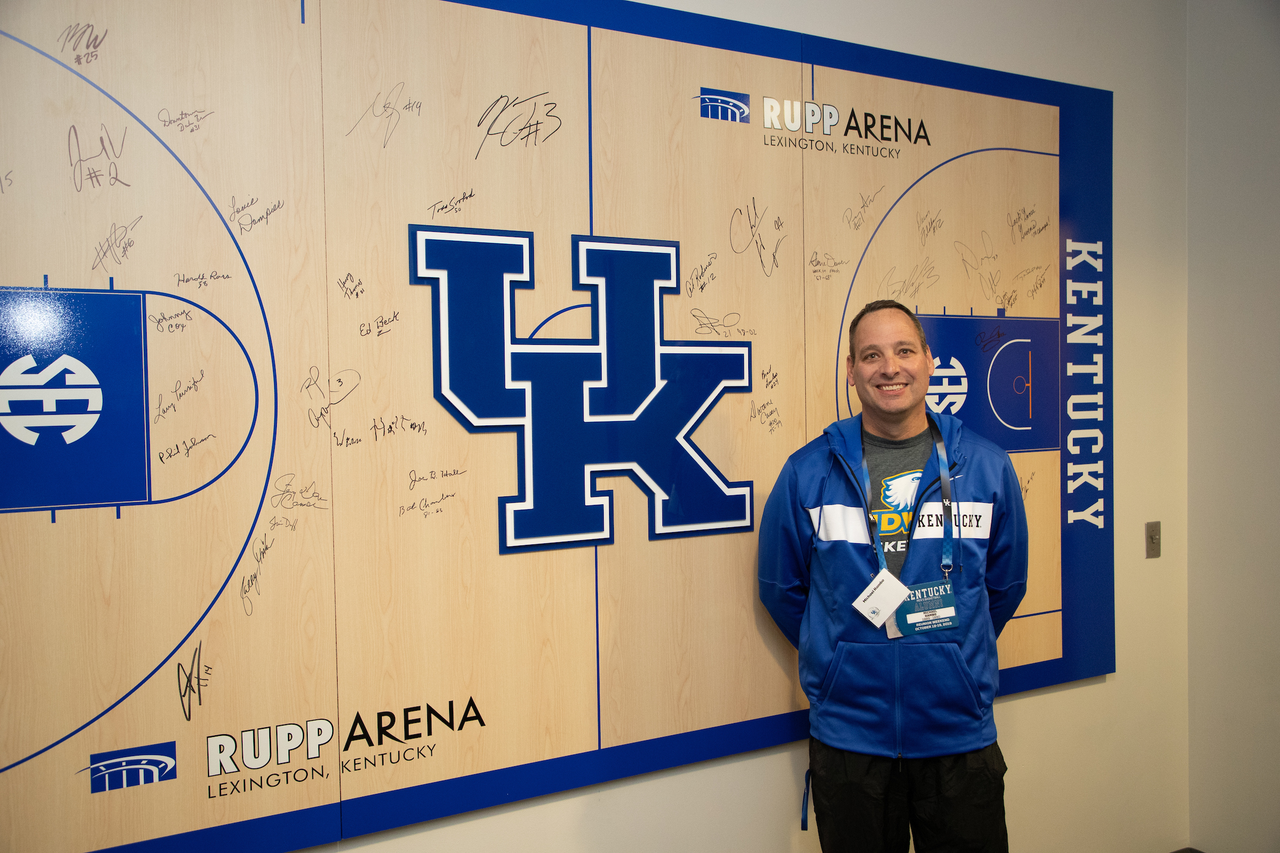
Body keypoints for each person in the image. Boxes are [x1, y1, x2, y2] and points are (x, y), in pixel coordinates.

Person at [758, 300, 1028, 852]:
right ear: (852, 371)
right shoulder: (808, 472)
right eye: (871, 355)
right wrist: (841, 655)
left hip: (957, 735)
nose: (890, 368)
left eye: (905, 351)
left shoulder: (986, 467)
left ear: (930, 361)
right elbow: (782, 590)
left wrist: (947, 648)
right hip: (851, 740)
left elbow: (1004, 585)